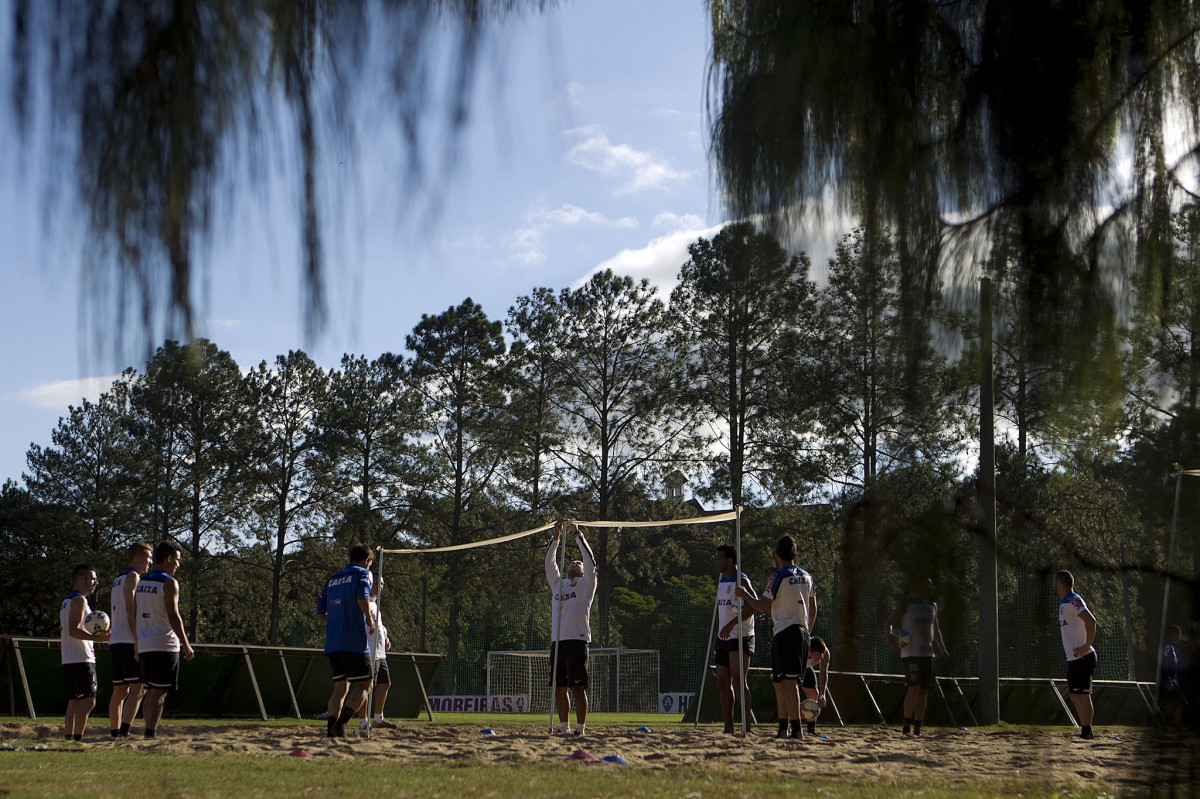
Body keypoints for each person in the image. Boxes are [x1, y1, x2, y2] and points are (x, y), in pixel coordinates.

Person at [737, 535, 816, 739]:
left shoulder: (778, 576)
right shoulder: (807, 576)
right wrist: (807, 630)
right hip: (801, 631)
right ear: (795, 555)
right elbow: (813, 607)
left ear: (776, 554)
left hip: (786, 632)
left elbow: (762, 605)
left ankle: (797, 730)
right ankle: (782, 728)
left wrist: (744, 594)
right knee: (779, 682)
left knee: (789, 684)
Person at [135, 540, 195, 739]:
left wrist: (137, 643)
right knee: (158, 692)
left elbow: (135, 613)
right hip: (163, 644)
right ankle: (150, 732)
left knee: (150, 690)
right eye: (176, 560)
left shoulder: (142, 582)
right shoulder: (169, 583)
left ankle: (148, 730)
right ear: (168, 558)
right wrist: (185, 644)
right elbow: (173, 615)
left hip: (145, 643)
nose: (178, 564)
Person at [545, 518, 597, 736]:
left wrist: (577, 535)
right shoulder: (558, 583)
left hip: (577, 640)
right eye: (572, 562)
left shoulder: (587, 585)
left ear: (584, 571)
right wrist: (556, 538)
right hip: (558, 641)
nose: (575, 563)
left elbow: (590, 560)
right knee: (559, 687)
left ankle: (580, 728)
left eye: (579, 562)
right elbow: (549, 562)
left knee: (578, 687)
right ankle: (564, 728)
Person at [318, 543, 375, 739]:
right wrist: (369, 617)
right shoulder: (363, 574)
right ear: (366, 560)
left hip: (333, 642)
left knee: (339, 689)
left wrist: (337, 619)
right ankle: (341, 725)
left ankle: (331, 730)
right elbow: (362, 596)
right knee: (366, 685)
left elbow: (320, 613)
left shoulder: (333, 578)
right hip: (354, 642)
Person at [885, 576, 949, 736]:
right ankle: (906, 725)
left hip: (928, 655)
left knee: (923, 691)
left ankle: (918, 728)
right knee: (913, 688)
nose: (930, 589)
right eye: (927, 586)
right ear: (918, 587)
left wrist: (942, 648)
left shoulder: (932, 606)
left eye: (931, 586)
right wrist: (890, 640)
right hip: (911, 654)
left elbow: (936, 630)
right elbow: (889, 622)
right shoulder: (907, 604)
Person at [60, 564, 110, 741]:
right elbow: (73, 631)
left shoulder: (68, 601)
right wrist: (98, 638)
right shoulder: (79, 600)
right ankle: (77, 739)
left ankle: (69, 737)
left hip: (69, 658)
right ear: (81, 579)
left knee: (74, 701)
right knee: (89, 701)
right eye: (92, 578)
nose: (95, 582)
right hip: (81, 658)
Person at [108, 541, 152, 738]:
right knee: (138, 688)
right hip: (127, 639)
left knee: (119, 691)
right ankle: (124, 732)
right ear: (139, 558)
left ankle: (114, 731)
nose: (149, 563)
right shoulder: (133, 577)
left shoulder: (118, 579)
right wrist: (137, 641)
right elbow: (130, 610)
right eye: (148, 558)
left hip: (115, 640)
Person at [714, 544, 758, 734]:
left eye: (719, 558)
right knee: (723, 682)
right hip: (723, 637)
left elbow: (753, 605)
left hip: (740, 635)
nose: (716, 562)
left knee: (739, 680)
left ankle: (746, 726)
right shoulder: (722, 580)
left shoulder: (741, 579)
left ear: (729, 560)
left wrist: (732, 624)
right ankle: (728, 726)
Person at [1054, 570, 1098, 739]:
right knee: (1074, 695)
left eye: (1054, 582)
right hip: (1073, 658)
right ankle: (1085, 729)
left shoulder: (1073, 600)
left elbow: (1091, 621)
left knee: (1082, 694)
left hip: (1082, 656)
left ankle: (1087, 731)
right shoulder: (1065, 603)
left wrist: (1086, 647)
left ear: (1059, 582)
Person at [358, 573, 396, 732]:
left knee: (385, 683)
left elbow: (379, 626)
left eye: (381, 585)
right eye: (376, 584)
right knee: (365, 686)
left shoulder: (375, 605)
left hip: (380, 653)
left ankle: (378, 718)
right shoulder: (365, 603)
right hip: (368, 652)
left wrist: (385, 637)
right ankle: (363, 722)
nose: (379, 587)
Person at [1160, 624, 1187, 728]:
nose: (1179, 637)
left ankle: (1168, 725)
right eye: (1178, 635)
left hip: (1171, 681)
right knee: (1180, 702)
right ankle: (1175, 725)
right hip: (1168, 681)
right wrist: (1168, 681)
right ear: (1174, 634)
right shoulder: (1168, 645)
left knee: (1171, 704)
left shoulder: (1171, 646)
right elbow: (1165, 663)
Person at [802, 636, 830, 737]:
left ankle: (811, 729)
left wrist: (823, 694)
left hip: (806, 667)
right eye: (818, 655)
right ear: (810, 652)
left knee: (815, 694)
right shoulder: (801, 649)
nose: (821, 658)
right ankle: (791, 725)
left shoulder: (825, 654)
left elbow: (823, 674)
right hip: (792, 665)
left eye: (822, 654)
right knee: (791, 693)